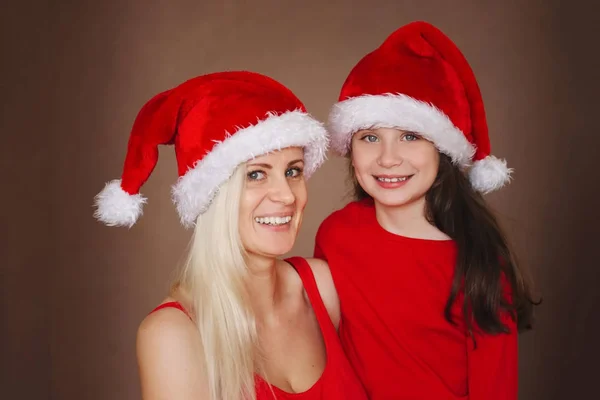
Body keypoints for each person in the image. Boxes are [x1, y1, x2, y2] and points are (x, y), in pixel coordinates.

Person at [93, 71, 368, 400]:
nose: (286, 195)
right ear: (211, 194)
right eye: (256, 174)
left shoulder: (323, 288)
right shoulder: (173, 336)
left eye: (292, 171)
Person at [314, 21, 538, 399]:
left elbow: (495, 387)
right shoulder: (336, 235)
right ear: (350, 150)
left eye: (410, 136)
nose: (388, 158)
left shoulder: (478, 261)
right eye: (370, 137)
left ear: (443, 151)